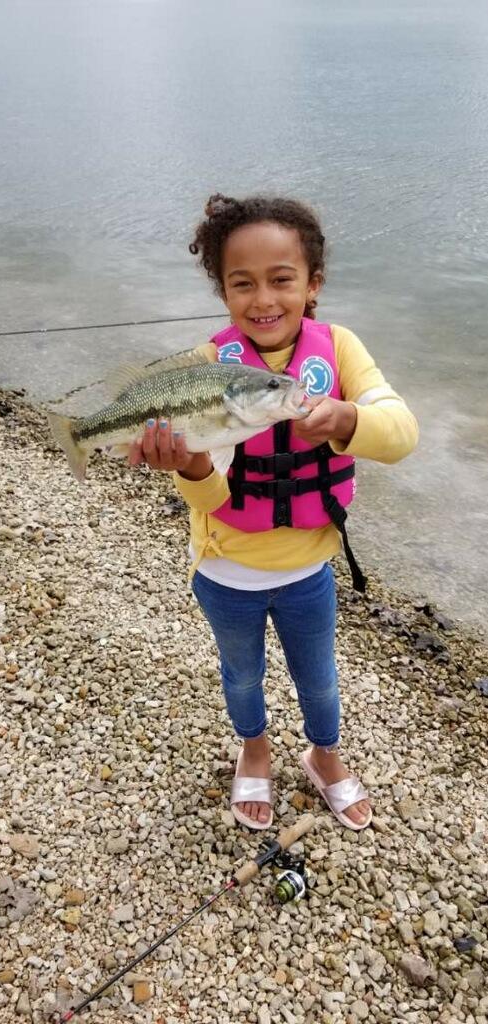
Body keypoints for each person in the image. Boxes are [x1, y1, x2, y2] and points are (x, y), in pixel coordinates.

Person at [129, 194, 419, 832]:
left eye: (282, 279)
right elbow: (213, 496)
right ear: (223, 292)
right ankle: (253, 747)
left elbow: (401, 433)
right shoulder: (207, 369)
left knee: (319, 680)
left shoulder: (338, 349)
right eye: (243, 284)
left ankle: (324, 754)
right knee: (242, 676)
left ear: (313, 284)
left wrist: (349, 420)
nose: (263, 299)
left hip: (309, 571)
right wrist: (192, 468)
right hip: (225, 568)